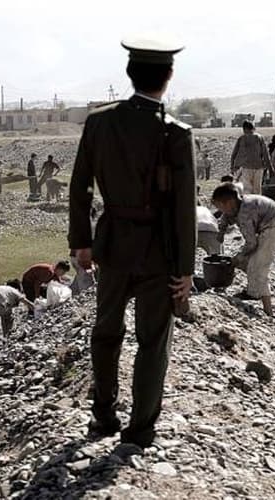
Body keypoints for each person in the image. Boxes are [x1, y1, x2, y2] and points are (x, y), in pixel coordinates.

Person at [68, 37, 196, 447]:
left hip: (112, 243)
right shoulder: (176, 132)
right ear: (169, 77)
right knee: (153, 341)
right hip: (159, 251)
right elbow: (182, 209)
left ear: (129, 74)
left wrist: (81, 242)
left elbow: (80, 188)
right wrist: (185, 269)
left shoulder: (99, 122)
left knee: (106, 331)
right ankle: (140, 429)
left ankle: (103, 415)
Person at [214, 183, 275, 315]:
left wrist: (237, 259)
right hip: (268, 224)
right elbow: (225, 217)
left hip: (274, 228)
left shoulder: (245, 213)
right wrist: (221, 232)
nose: (221, 211)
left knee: (258, 266)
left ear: (229, 202)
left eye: (221, 206)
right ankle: (253, 290)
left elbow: (251, 244)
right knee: (250, 263)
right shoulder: (238, 204)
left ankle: (266, 309)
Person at [231, 120, 272, 195]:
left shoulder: (241, 138)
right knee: (257, 189)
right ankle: (257, 205)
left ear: (244, 129)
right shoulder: (259, 137)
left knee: (247, 189)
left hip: (246, 167)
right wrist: (270, 168)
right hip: (258, 167)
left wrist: (232, 166)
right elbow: (265, 154)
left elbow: (234, 154)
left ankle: (248, 204)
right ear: (253, 128)